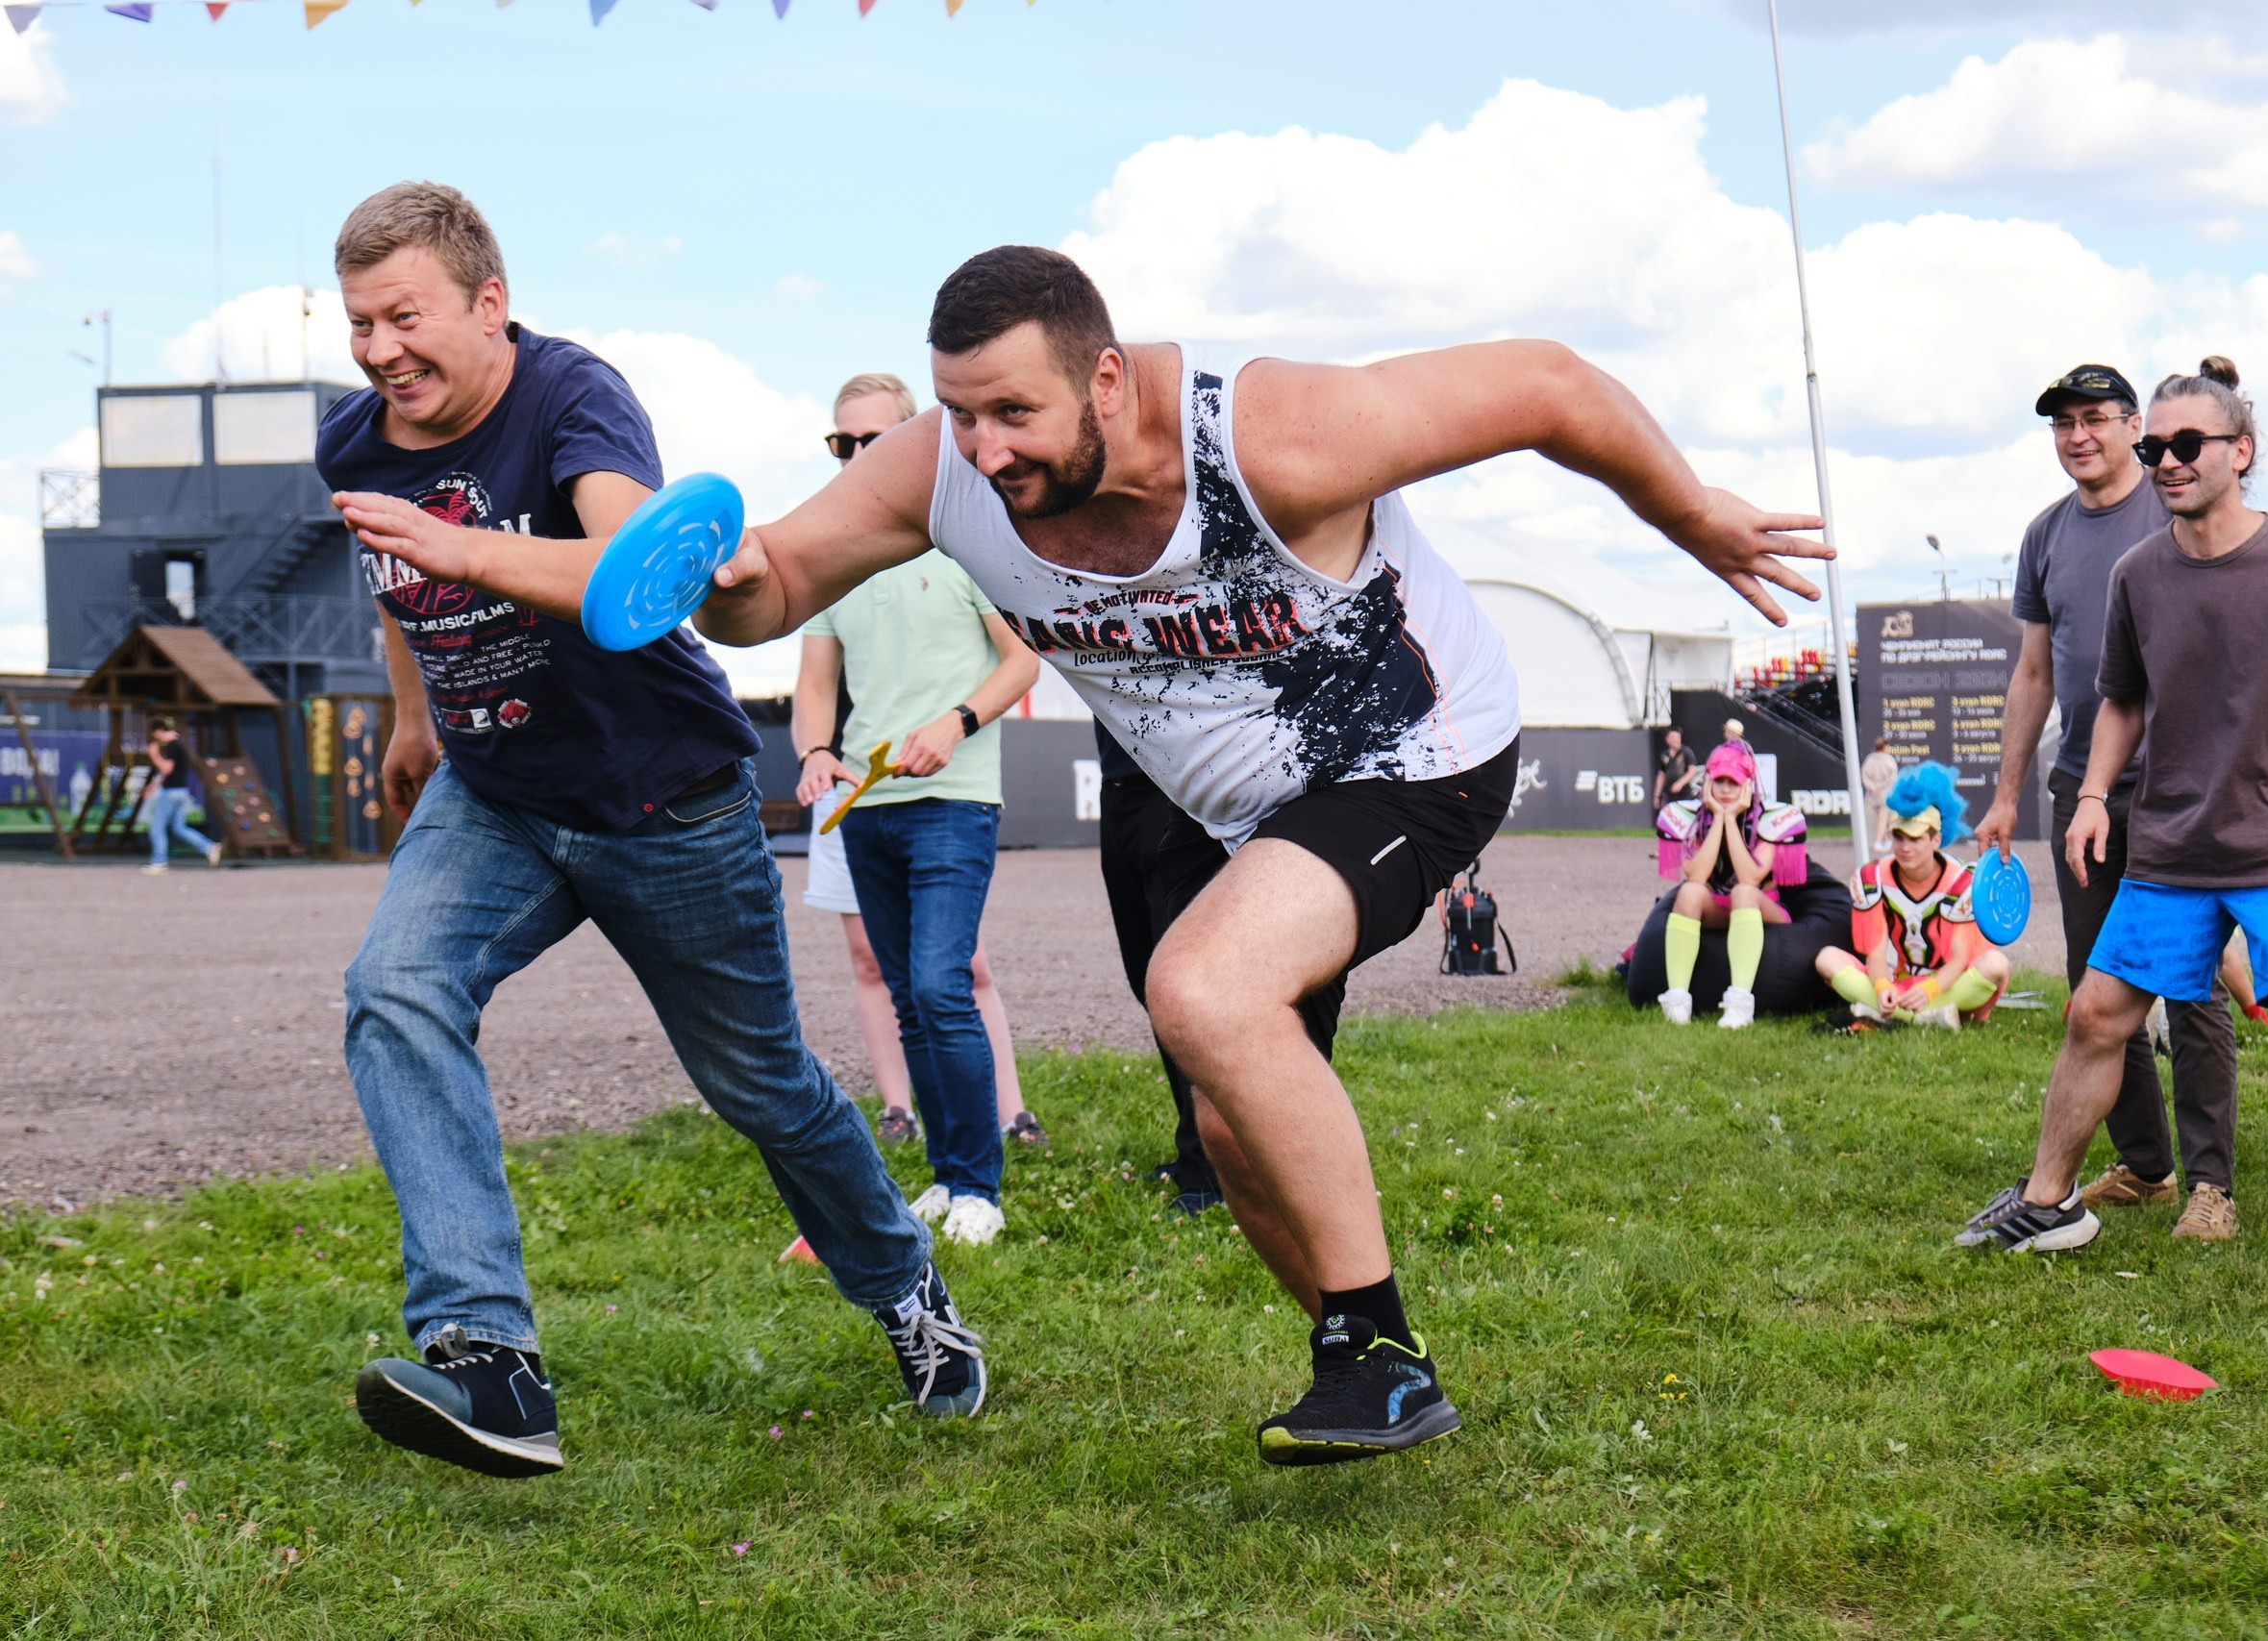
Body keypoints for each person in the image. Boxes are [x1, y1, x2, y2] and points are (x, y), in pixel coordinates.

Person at [338, 242, 1830, 1465]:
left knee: (1203, 991)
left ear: (1107, 376)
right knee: (1237, 1133)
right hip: (1236, 808)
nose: (986, 452)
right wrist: (720, 578)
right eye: (958, 415)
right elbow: (775, 585)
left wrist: (1687, 510)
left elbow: (1547, 384)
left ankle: (1371, 1347)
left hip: (1415, 752)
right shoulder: (943, 472)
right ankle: (1379, 1360)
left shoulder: (1271, 434)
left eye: (1014, 415)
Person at [321, 183, 985, 1481]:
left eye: (405, 315)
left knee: (762, 1085)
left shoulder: (572, 394)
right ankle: (487, 1357)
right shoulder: (356, 440)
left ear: (489, 304)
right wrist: (411, 718)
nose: (382, 349)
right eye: (359, 323)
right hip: (498, 790)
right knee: (392, 987)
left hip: (660, 797)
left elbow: (636, 572)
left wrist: (467, 555)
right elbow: (392, 581)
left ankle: (909, 1292)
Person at [1957, 359, 2268, 1295]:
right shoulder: (2139, 573)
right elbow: (2120, 699)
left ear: (2238, 452)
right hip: (2170, 851)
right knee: (2095, 1015)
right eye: (2154, 445)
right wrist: (2092, 797)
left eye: (2184, 444)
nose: (2163, 459)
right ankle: (2050, 1203)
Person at [1974, 361, 2240, 1242]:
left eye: (2095, 419)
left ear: (2136, 427)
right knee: (2101, 993)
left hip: (2178, 796)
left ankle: (2212, 1185)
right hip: (2081, 792)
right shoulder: (2045, 534)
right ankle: (2151, 1167)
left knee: (2192, 989)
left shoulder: (2175, 509)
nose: (2078, 436)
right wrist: (2007, 795)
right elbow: (2034, 673)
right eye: (2062, 424)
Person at [792, 411, 1042, 1249]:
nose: (859, 454)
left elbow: (1023, 661)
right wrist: (816, 749)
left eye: (876, 437)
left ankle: (980, 1186)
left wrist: (956, 722)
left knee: (941, 987)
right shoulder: (835, 569)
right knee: (908, 1001)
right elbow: (816, 683)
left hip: (953, 798)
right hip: (866, 807)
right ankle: (945, 1173)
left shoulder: (969, 547)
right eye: (842, 442)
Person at [1095, 720, 1225, 1215]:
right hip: (1118, 788)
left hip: (1173, 787)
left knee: (1183, 988)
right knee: (1146, 978)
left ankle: (1211, 1169)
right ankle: (1196, 1146)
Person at [1816, 761, 2009, 1030]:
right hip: (1902, 982)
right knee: (1827, 958)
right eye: (1898, 836)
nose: (1905, 847)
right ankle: (1927, 1017)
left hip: (1948, 983)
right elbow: (1875, 954)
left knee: (1997, 965)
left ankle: (1901, 1014)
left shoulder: (1961, 881)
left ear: (1936, 839)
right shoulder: (1873, 879)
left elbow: (1960, 959)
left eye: (1915, 838)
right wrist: (1882, 985)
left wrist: (1931, 989)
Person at [1649, 739, 1808, 1029]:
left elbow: (1750, 877)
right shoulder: (1689, 817)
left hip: (1760, 906)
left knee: (1743, 891)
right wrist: (1719, 818)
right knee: (1689, 891)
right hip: (1716, 906)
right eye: (1718, 780)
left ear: (1747, 785)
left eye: (1733, 782)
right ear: (1707, 782)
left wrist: (1731, 819)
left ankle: (1740, 1003)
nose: (1725, 789)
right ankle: (1677, 999)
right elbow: (1696, 875)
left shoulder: (1772, 818)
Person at [139, 717, 219, 875]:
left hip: (170, 793)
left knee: (156, 827)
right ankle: (209, 847)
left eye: (155, 735)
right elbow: (168, 772)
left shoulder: (173, 746)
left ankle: (159, 862)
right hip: (181, 792)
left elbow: (167, 768)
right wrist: (153, 785)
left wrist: (154, 756)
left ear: (159, 731)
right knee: (179, 828)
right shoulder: (178, 744)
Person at [1858, 733, 1896, 857]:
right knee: (1883, 818)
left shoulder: (1869, 759)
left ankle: (1885, 841)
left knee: (1880, 818)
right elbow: (1892, 777)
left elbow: (1864, 775)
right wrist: (1880, 786)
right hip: (1885, 793)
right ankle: (1879, 842)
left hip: (1872, 794)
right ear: (1885, 746)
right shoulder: (1889, 760)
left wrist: (1872, 787)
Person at [1651, 726, 1698, 809]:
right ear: (1668, 739)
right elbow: (1661, 775)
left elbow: (1692, 771)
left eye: (1679, 737)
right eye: (1674, 738)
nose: (1677, 740)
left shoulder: (1686, 752)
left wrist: (1680, 783)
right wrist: (1656, 796)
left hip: (1684, 793)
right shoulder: (1664, 755)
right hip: (1669, 793)